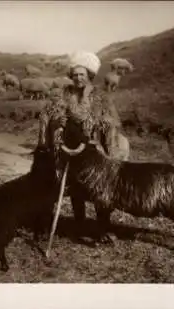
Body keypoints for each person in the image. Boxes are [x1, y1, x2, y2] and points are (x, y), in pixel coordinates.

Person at [35, 50, 124, 242]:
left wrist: (107, 145)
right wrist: (60, 123)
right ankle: (80, 225)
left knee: (102, 189)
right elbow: (51, 114)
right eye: (75, 75)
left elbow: (111, 123)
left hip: (95, 149)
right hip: (71, 149)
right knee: (75, 189)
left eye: (81, 74)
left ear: (89, 75)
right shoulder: (65, 94)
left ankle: (103, 228)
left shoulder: (101, 96)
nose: (78, 78)